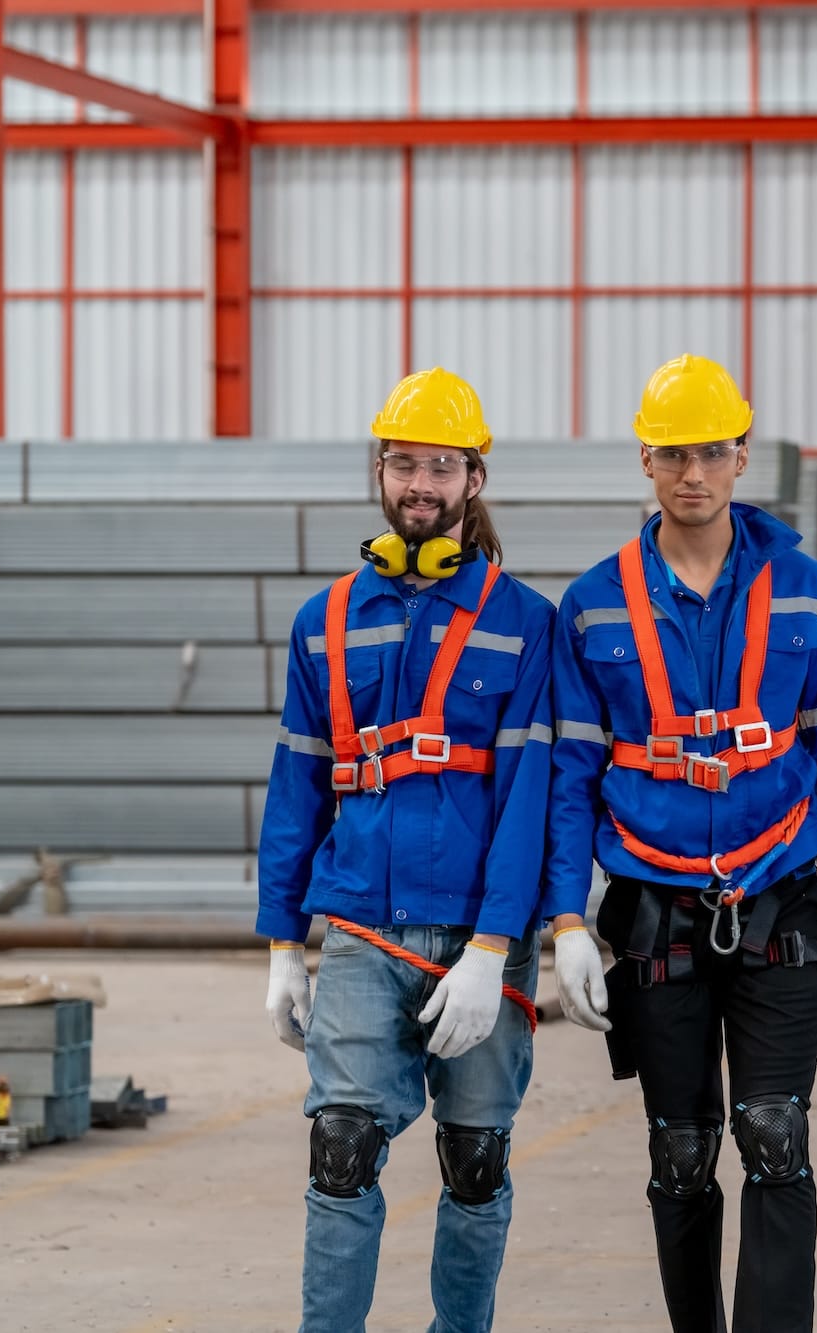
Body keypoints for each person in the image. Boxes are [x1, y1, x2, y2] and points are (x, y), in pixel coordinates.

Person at [542, 353, 817, 1333]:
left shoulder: (804, 591)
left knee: (775, 1136)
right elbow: (568, 779)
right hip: (652, 912)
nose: (692, 472)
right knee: (681, 1151)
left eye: (710, 452)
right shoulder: (593, 605)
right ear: (645, 462)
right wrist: (567, 919)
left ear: (741, 458)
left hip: (777, 897)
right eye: (672, 454)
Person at [258, 367, 558, 1333]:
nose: (419, 483)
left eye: (441, 465)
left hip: (479, 938)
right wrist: (279, 946)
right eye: (403, 464)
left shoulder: (525, 625)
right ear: (378, 471)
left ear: (475, 478)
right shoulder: (327, 622)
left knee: (476, 1162)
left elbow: (529, 803)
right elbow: (298, 786)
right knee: (339, 1147)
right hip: (359, 930)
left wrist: (493, 947)